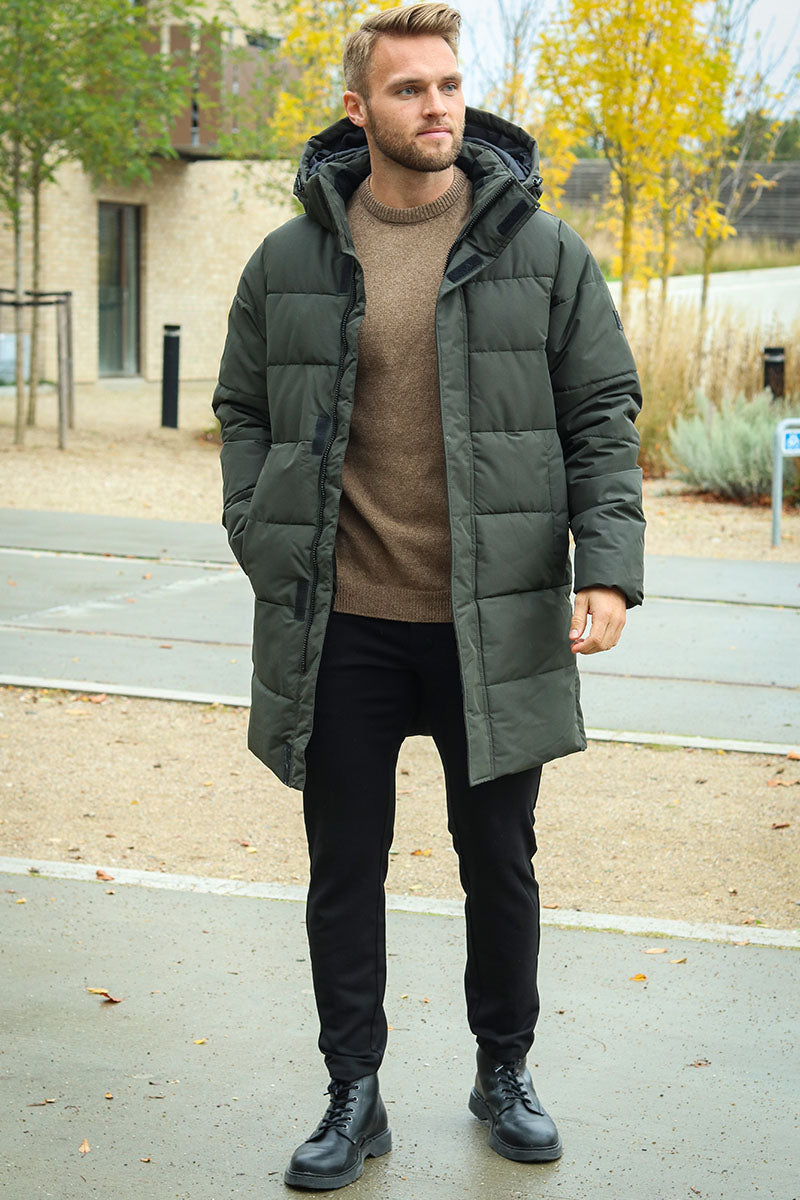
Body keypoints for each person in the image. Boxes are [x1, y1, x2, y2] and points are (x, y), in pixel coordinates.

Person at [213, 2, 645, 1190]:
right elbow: (241, 407)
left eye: (448, 84)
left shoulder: (539, 250)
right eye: (409, 89)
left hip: (489, 619)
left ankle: (502, 1069)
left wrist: (607, 567)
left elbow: (601, 412)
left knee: (497, 862)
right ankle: (352, 1093)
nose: (437, 105)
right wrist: (260, 530)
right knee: (342, 867)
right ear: (359, 108)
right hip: (341, 621)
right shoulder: (290, 258)